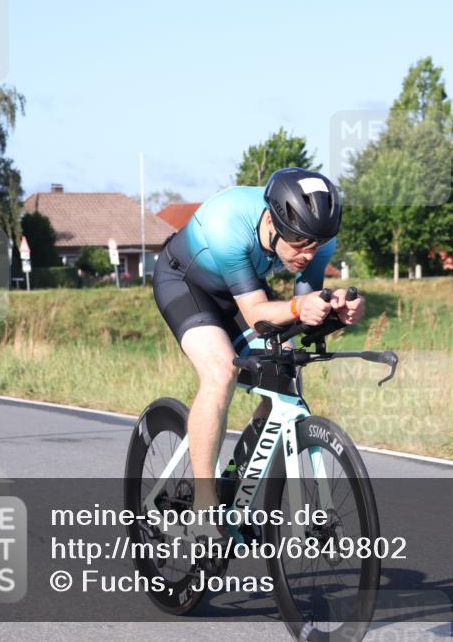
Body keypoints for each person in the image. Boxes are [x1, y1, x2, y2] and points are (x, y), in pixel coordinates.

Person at [152, 167, 365, 538]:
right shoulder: (228, 221)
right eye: (300, 244)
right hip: (185, 284)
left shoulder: (317, 239)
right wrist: (301, 308)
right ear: (272, 220)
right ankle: (205, 506)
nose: (309, 254)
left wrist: (338, 311)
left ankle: (234, 484)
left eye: (317, 245)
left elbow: (302, 309)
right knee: (220, 372)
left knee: (281, 377)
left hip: (240, 291)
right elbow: (257, 313)